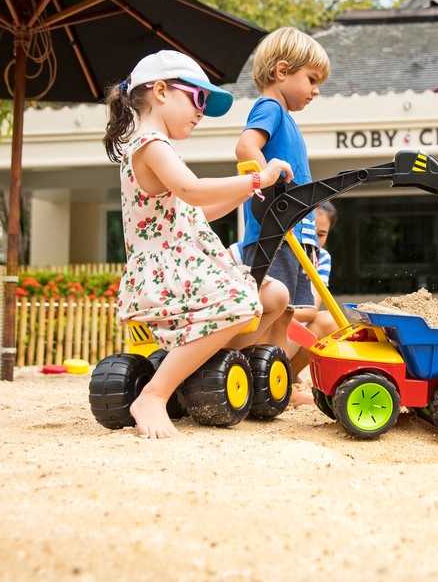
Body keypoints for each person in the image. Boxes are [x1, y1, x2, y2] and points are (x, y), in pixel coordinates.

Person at [104, 49, 295, 440]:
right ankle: (155, 394)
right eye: (198, 98)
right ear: (160, 91)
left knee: (273, 294)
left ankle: (206, 367)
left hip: (187, 262)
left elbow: (195, 213)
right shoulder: (150, 144)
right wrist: (257, 180)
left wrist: (244, 194)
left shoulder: (158, 147)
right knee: (243, 304)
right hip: (166, 271)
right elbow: (193, 190)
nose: (201, 111)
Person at [235, 27, 331, 402]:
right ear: (281, 70)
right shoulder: (270, 108)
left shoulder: (287, 118)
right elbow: (246, 145)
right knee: (266, 308)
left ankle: (274, 383)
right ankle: (231, 364)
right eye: (311, 80)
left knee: (286, 313)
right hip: (271, 234)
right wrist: (266, 183)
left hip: (296, 234)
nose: (316, 90)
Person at [287, 201, 340, 380]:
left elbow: (310, 310)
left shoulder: (321, 257)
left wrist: (277, 313)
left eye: (321, 234)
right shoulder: (271, 247)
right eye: (308, 229)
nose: (314, 239)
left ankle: (289, 376)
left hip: (289, 326)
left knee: (329, 320)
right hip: (262, 329)